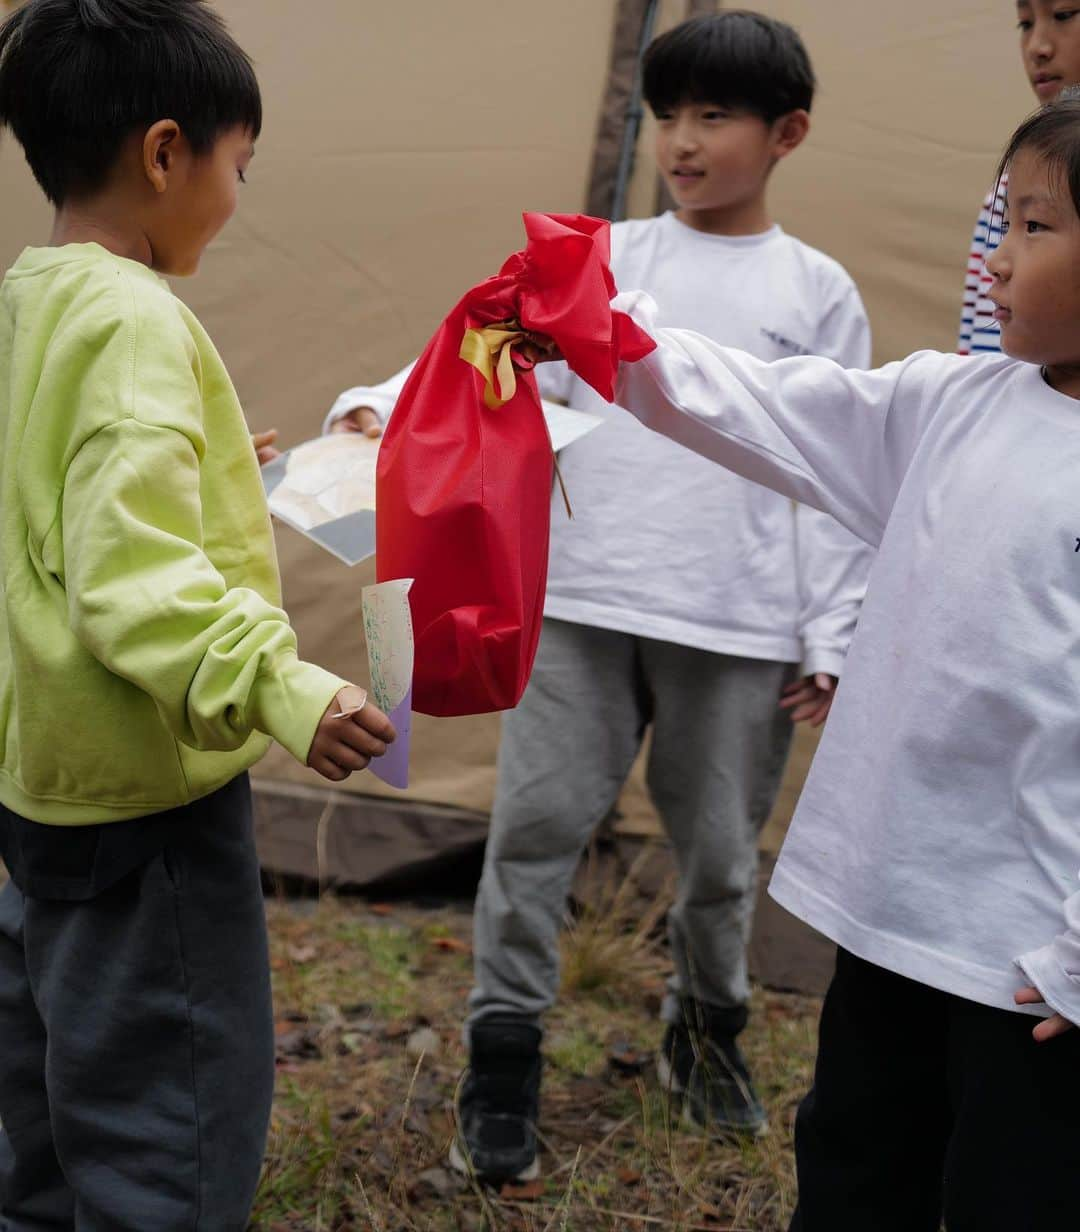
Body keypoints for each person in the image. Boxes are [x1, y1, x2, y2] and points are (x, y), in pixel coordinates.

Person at [328, 11, 872, 1184]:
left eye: (715, 115)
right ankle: (503, 1052)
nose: (682, 140)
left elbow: (835, 469)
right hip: (578, 601)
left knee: (722, 853)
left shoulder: (818, 290)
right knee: (533, 828)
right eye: (667, 113)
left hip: (735, 619)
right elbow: (480, 355)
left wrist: (832, 631)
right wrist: (373, 403)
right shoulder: (603, 254)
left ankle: (705, 1029)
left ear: (788, 134)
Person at [589, 94, 1080, 1232]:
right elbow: (767, 405)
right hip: (896, 911)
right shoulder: (953, 404)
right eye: (999, 225)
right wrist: (610, 329)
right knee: (858, 1166)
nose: (995, 260)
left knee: (1015, 1192)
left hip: (1038, 968)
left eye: (1036, 230)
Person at [0, 2, 395, 1227]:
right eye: (239, 164)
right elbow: (134, 584)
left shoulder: (31, 300)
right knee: (167, 1125)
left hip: (40, 783)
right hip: (147, 801)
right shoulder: (138, 323)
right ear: (166, 152)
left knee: (45, 1107)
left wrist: (214, 453)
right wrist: (287, 687)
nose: (235, 194)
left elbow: (57, 503)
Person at [958, 0, 1080, 354]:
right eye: (1025, 24)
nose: (1037, 47)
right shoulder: (1013, 182)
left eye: (1063, 15)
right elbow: (977, 345)